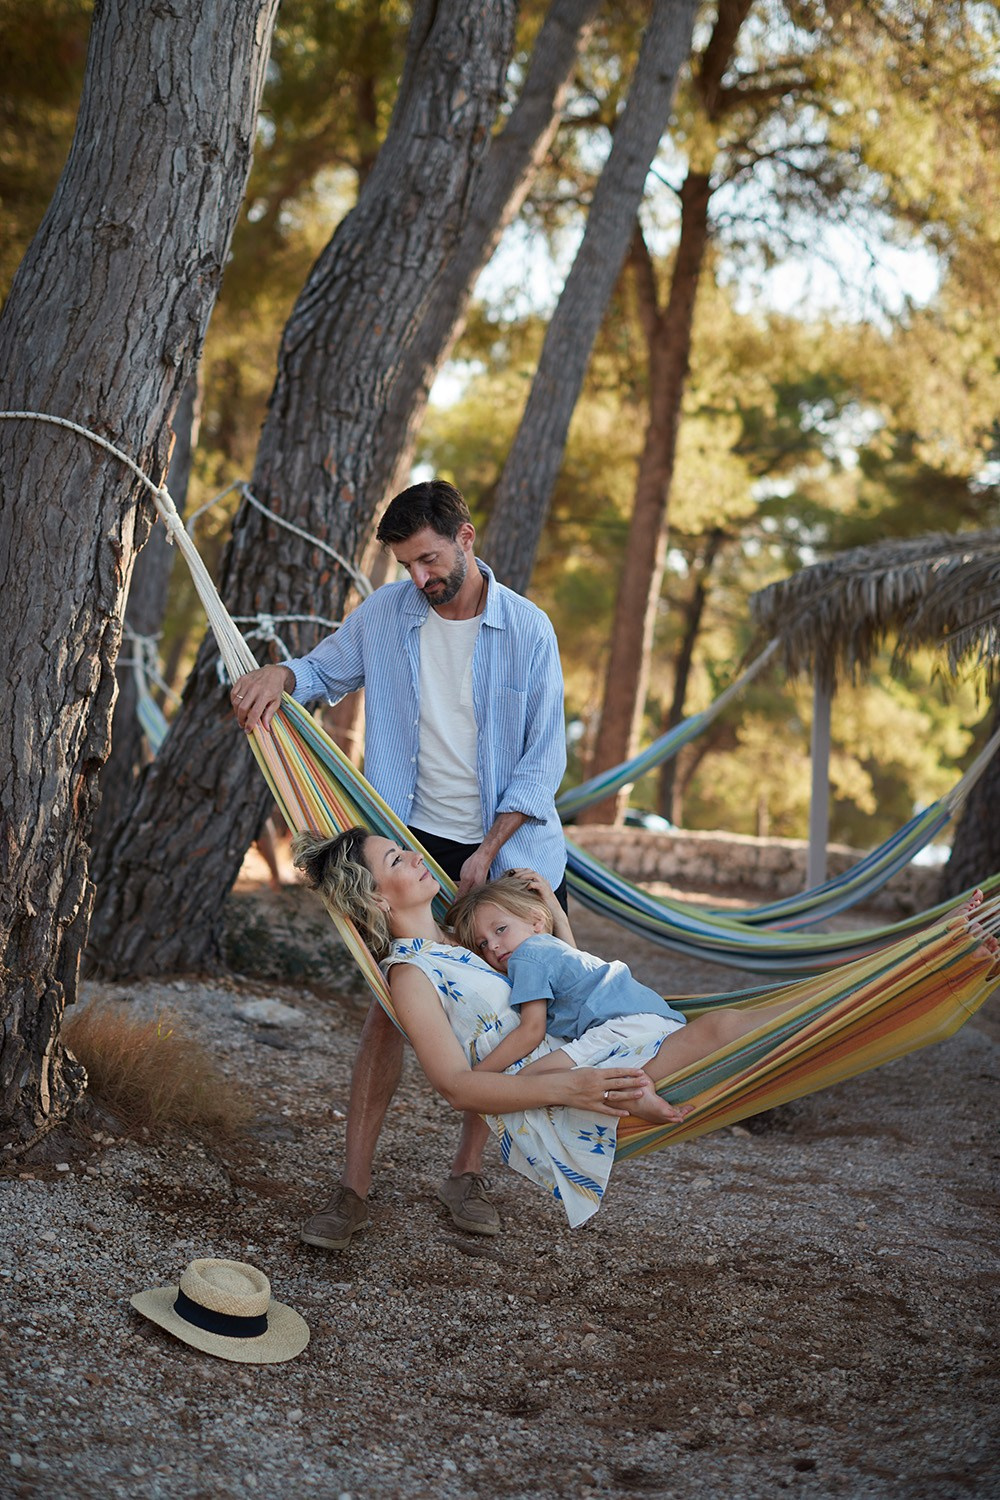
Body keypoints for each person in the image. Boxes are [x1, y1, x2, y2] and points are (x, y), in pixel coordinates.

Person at [230, 479, 568, 1248]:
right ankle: (352, 1191)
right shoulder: (386, 613)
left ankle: (467, 1173)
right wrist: (279, 676)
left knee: (502, 1011)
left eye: (429, 559)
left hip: (505, 847)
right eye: (408, 565)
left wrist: (488, 853)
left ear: (467, 538)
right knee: (389, 1012)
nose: (420, 578)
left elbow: (541, 766)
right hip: (406, 843)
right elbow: (321, 672)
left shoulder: (530, 631)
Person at [292, 827, 656, 1229]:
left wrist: (552, 912)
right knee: (723, 1032)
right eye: (396, 859)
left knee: (724, 1028)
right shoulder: (412, 974)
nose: (416, 856)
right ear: (376, 898)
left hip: (590, 1047)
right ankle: (355, 1188)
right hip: (570, 1079)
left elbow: (564, 981)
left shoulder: (476, 941)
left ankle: (463, 1176)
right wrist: (572, 1087)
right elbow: (456, 1086)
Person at [447, 874, 804, 1123]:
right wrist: (555, 910)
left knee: (534, 1078)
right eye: (482, 944)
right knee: (720, 1027)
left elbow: (532, 1030)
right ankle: (807, 1010)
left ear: (536, 922)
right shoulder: (551, 949)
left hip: (618, 1025)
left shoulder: (526, 957)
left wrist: (477, 1079)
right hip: (655, 1018)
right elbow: (573, 962)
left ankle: (630, 1093)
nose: (493, 946)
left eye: (500, 930)